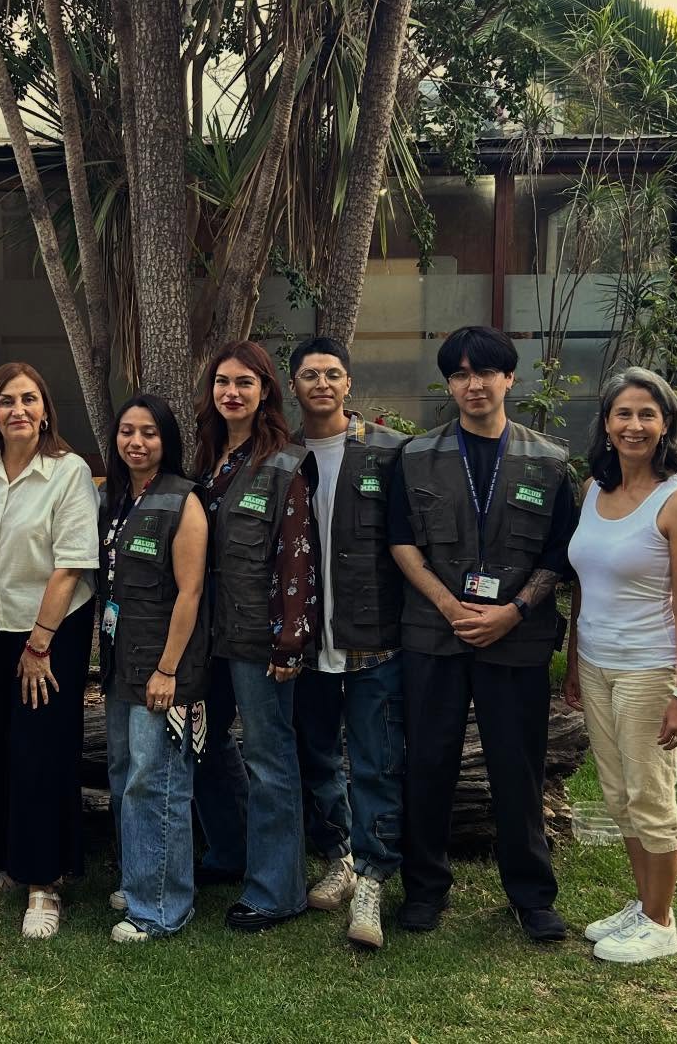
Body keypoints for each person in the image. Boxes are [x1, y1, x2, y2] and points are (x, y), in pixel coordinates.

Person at [388, 325, 578, 944]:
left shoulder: (548, 461)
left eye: (486, 372)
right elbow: (402, 543)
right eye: (461, 374)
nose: (474, 384)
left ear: (509, 379)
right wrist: (450, 606)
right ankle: (424, 889)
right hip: (433, 636)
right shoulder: (415, 456)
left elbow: (559, 551)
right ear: (449, 384)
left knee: (517, 767)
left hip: (516, 638)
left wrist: (514, 611)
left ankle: (532, 896)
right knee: (429, 762)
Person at [565, 367, 677, 964]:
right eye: (623, 413)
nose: (634, 425)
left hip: (649, 670)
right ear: (606, 424)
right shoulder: (593, 491)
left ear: (666, 424)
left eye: (648, 414)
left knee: (650, 794)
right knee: (619, 793)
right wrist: (573, 663)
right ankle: (644, 903)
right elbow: (583, 585)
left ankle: (660, 921)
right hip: (596, 661)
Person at [0, 363, 99, 940]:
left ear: (45, 410)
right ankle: (15, 861)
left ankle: (46, 882)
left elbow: (71, 564)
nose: (18, 410)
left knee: (42, 752)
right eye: (7, 401)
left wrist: (39, 644)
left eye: (29, 399)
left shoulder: (69, 471)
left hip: (49, 631)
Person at [286, 337, 408, 950]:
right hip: (306, 646)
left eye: (333, 374)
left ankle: (374, 878)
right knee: (316, 757)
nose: (322, 384)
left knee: (375, 759)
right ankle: (339, 858)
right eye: (310, 375)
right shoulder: (281, 456)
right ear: (294, 386)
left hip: (372, 640)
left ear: (348, 384)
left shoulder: (388, 452)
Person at [193, 340, 319, 933]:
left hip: (260, 636)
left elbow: (297, 555)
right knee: (202, 742)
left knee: (270, 756)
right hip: (205, 632)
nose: (232, 392)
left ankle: (277, 890)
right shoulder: (207, 459)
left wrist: (290, 638)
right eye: (223, 382)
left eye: (245, 382)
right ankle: (231, 850)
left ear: (266, 390)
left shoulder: (286, 463)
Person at [99, 394, 208, 943]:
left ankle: (162, 906)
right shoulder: (115, 497)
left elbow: (190, 593)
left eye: (149, 432)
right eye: (127, 431)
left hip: (161, 669)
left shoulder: (183, 500)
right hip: (121, 662)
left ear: (167, 440)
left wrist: (167, 670)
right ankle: (139, 878)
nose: (136, 442)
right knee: (124, 773)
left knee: (156, 780)